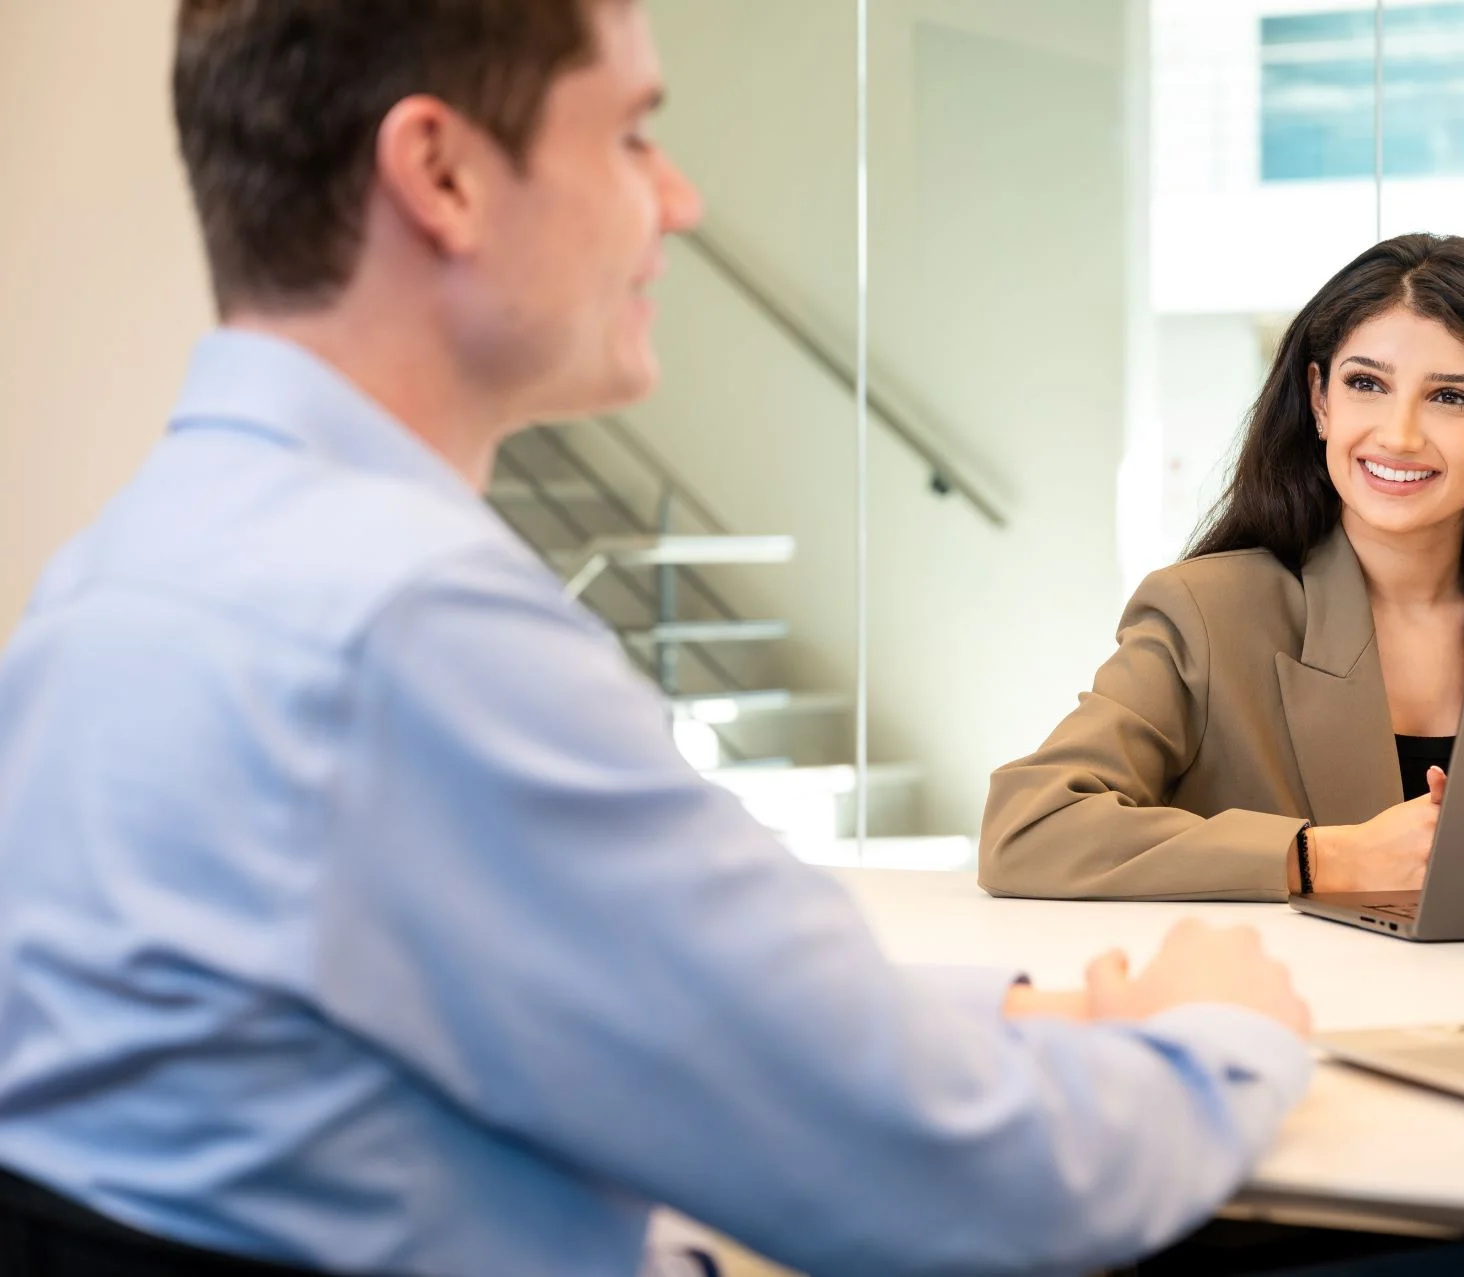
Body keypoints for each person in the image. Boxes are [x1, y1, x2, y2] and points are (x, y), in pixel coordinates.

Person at [0, 2, 1319, 1274]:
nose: (677, 199)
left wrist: (1015, 1008)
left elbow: (679, 1005)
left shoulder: (122, 576)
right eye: (633, 133)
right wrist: (1222, 1033)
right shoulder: (409, 627)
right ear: (442, 174)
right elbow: (960, 1177)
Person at [980, 234, 1464, 903]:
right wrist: (1322, 857)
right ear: (1321, 401)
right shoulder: (1204, 614)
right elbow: (1028, 828)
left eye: (1451, 398)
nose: (1399, 434)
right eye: (1366, 384)